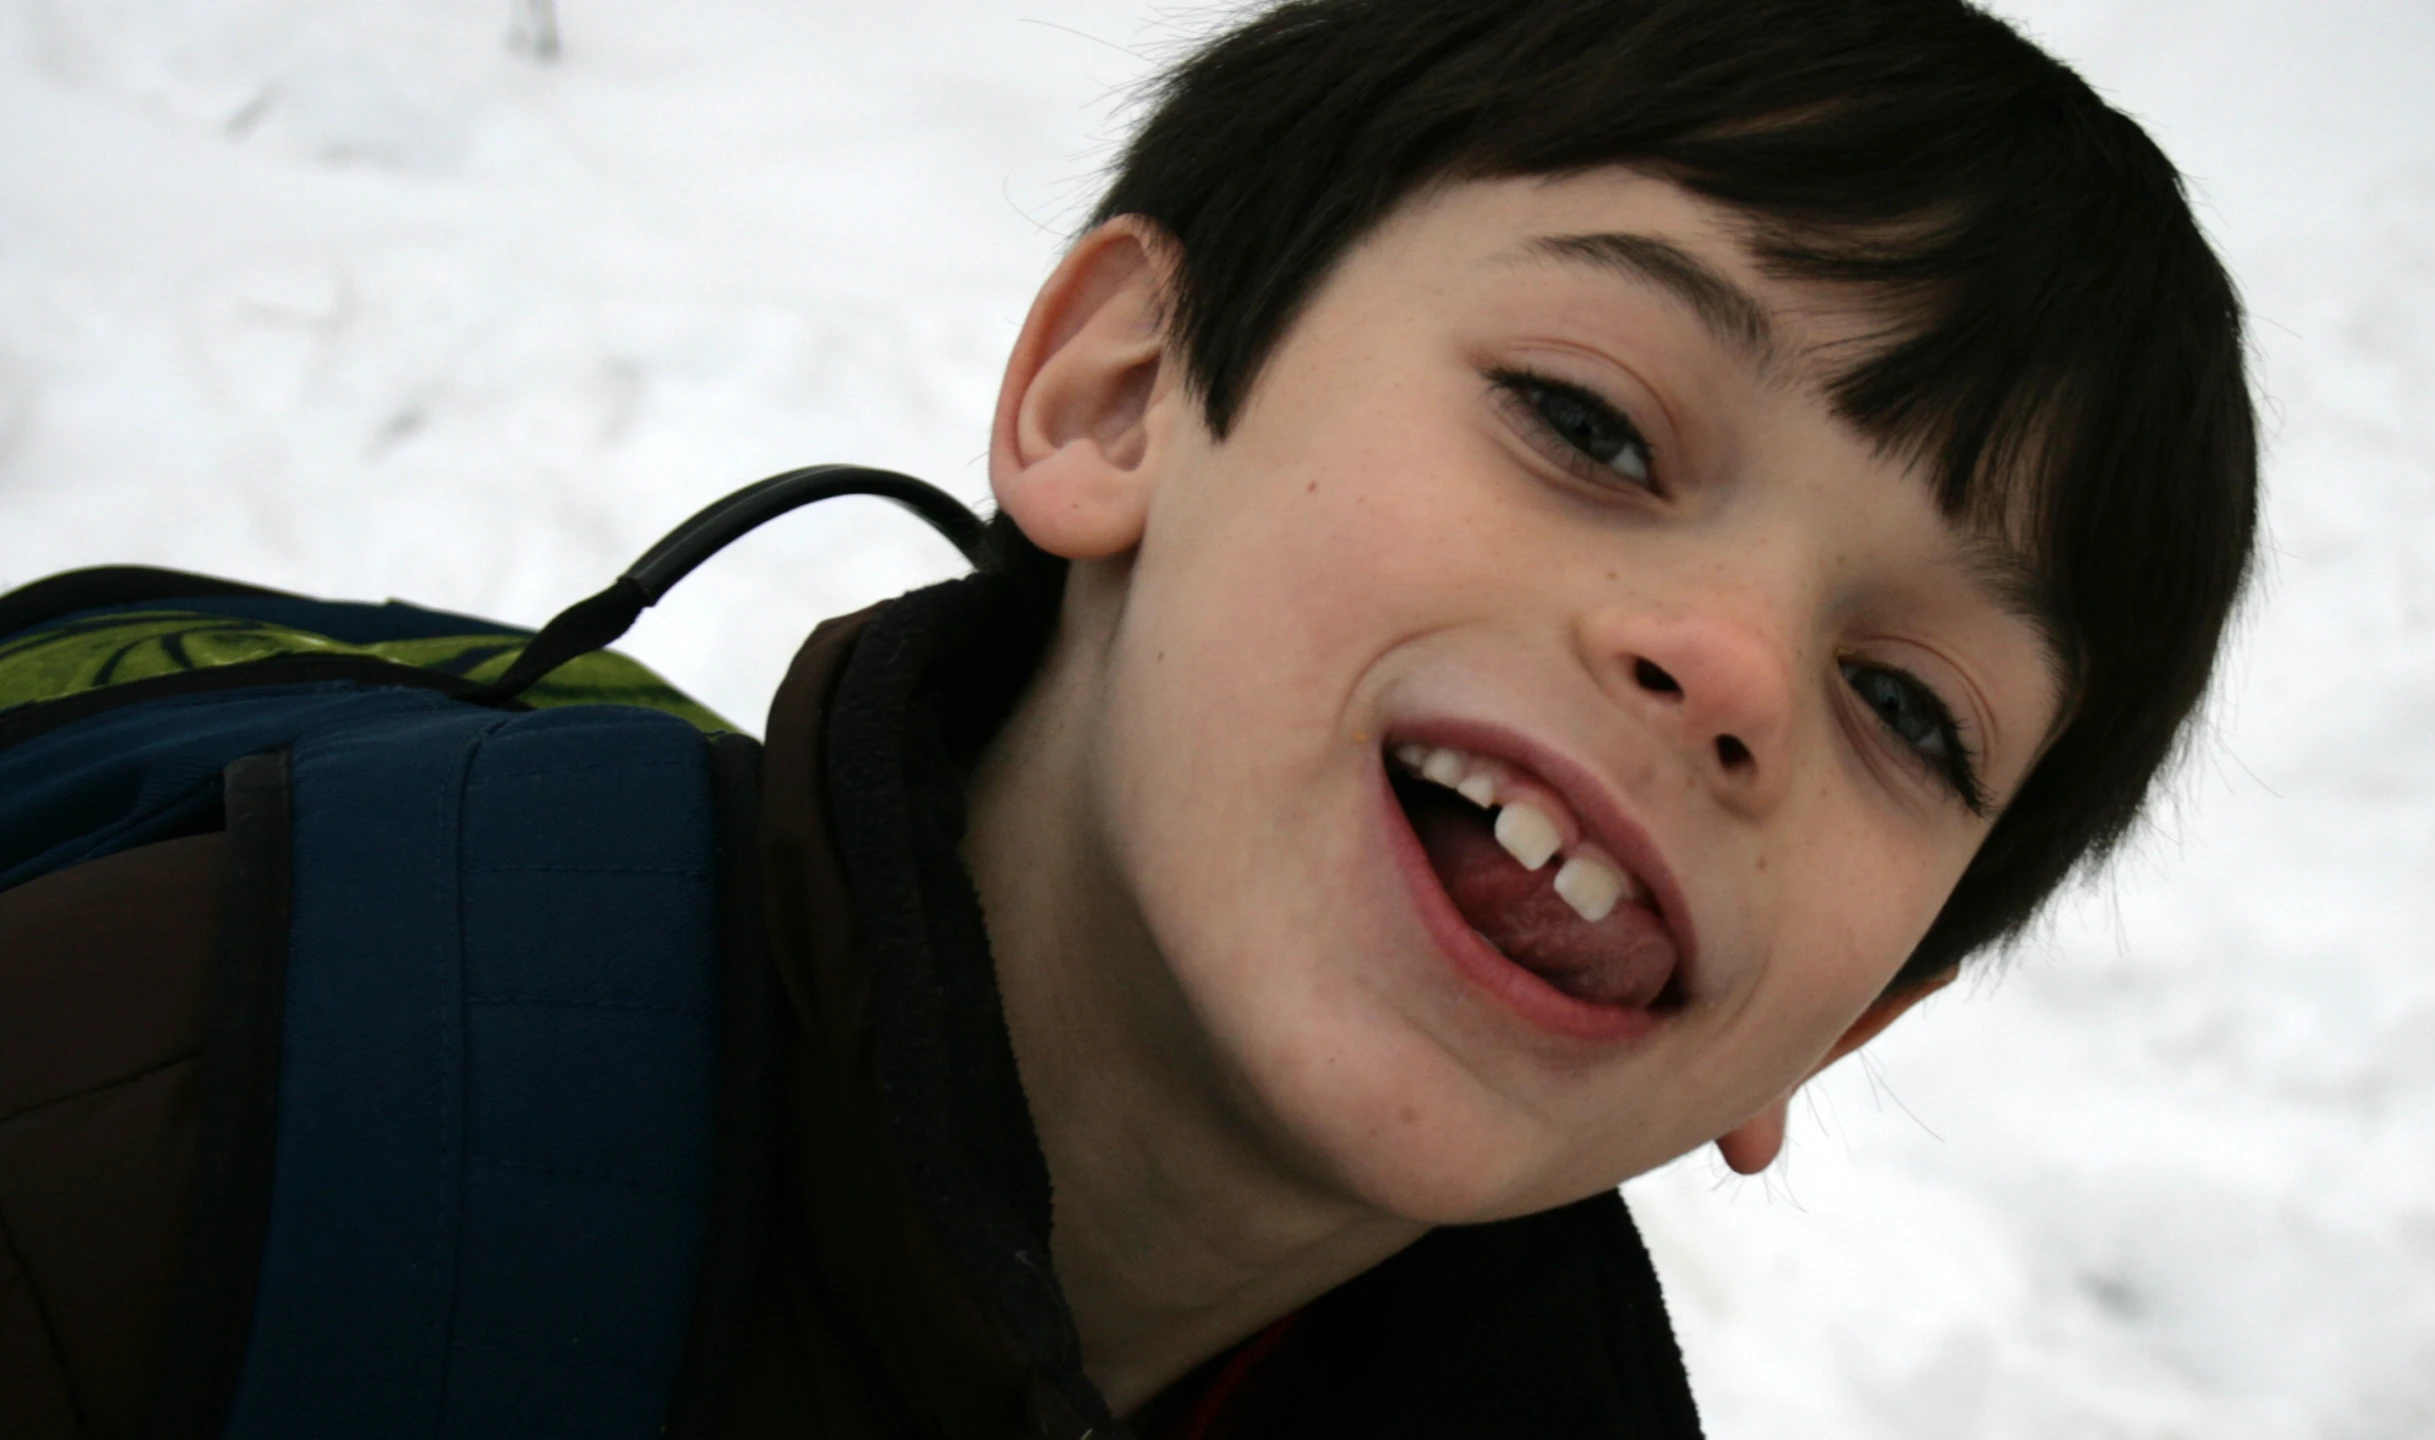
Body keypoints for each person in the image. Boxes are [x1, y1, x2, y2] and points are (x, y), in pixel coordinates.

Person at [0, 0, 2257, 1435]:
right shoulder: (172, 1143)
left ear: (1845, 1031)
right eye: (1589, 419)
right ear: (1117, 403)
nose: (1735, 674)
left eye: (1907, 706)